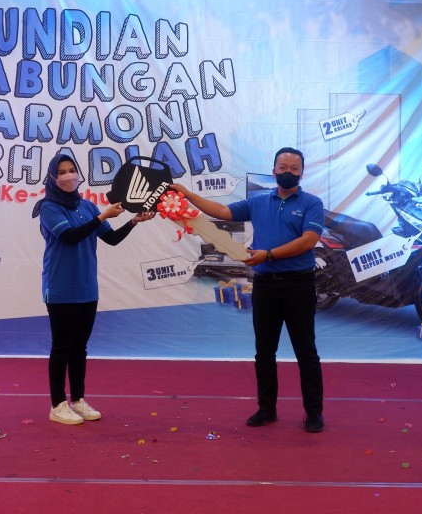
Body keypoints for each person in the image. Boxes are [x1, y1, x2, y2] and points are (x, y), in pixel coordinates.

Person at [171, 147, 325, 433]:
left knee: (306, 352)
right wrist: (187, 194)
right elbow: (222, 211)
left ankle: (314, 413)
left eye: (294, 168)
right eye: (283, 167)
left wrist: (268, 255)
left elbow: (308, 241)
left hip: (299, 285)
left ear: (302, 173)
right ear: (274, 170)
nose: (288, 172)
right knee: (264, 352)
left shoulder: (312, 203)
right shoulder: (258, 201)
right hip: (265, 286)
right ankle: (266, 409)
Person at [32, 152, 155, 425]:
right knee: (61, 348)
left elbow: (110, 238)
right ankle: (57, 405)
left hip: (87, 287)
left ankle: (78, 400)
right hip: (60, 288)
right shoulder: (49, 207)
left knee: (80, 348)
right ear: (52, 177)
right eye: (61, 172)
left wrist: (133, 221)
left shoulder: (87, 206)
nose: (68, 176)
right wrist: (102, 217)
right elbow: (70, 236)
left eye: (71, 170)